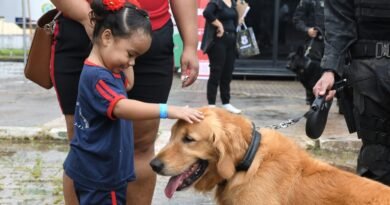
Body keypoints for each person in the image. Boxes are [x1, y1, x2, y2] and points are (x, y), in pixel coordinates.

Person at [49, 0, 199, 204]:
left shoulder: (99, 67)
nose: (132, 63)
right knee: (83, 146)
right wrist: (168, 111)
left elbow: (124, 93)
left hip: (142, 28)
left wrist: (189, 44)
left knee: (140, 146)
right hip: (103, 186)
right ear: (106, 37)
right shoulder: (98, 78)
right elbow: (119, 106)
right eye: (131, 56)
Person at [313, 0, 390, 185]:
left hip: (368, 73)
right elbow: (339, 24)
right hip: (370, 76)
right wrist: (330, 70)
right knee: (376, 156)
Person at [202, 0, 242, 114]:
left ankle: (226, 103)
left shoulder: (233, 3)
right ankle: (211, 104)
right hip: (218, 41)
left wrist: (239, 20)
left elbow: (233, 20)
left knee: (227, 74)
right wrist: (219, 24)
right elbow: (207, 13)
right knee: (216, 72)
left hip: (232, 40)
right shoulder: (216, 2)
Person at [292, 0, 325, 105]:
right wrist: (307, 30)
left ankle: (341, 102)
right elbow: (297, 19)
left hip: (334, 41)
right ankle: (313, 103)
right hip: (315, 42)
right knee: (313, 72)